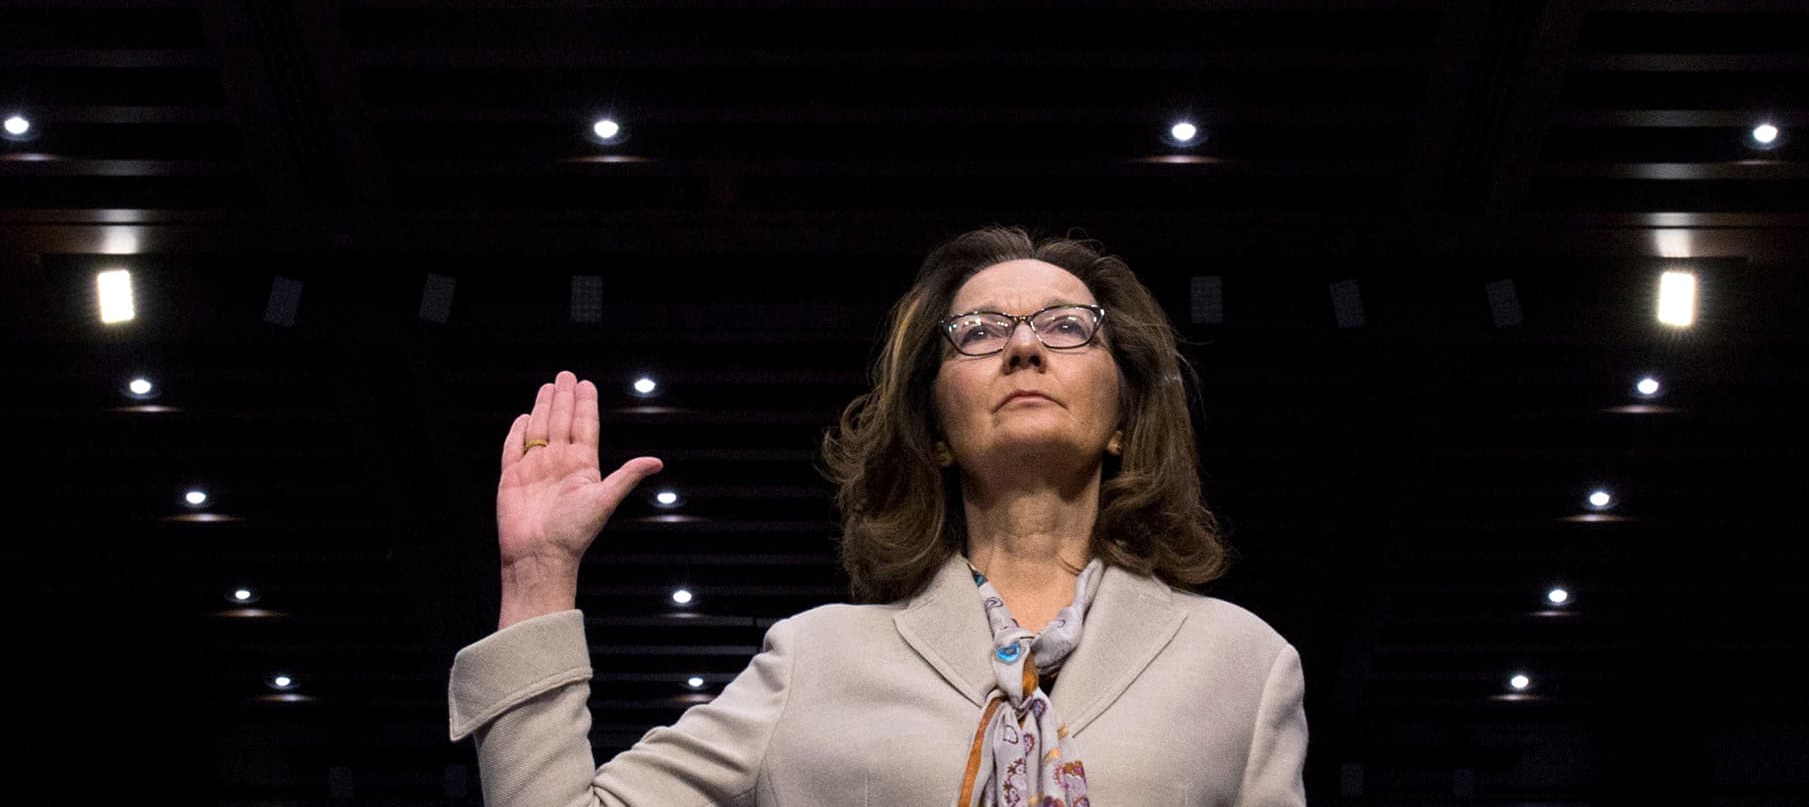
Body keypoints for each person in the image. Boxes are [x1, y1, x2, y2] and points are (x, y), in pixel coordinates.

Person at [448, 225, 1308, 805]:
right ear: (934, 429)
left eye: (1066, 325)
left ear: (1122, 418)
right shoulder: (813, 661)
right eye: (977, 331)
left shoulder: (1243, 665)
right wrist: (537, 578)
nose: (1023, 345)